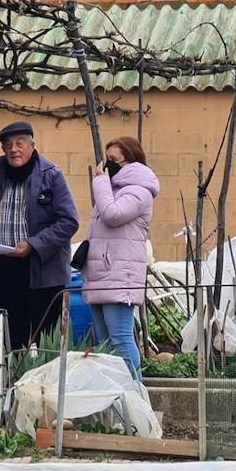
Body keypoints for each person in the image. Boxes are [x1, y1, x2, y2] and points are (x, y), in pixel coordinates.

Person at [0, 121, 79, 350]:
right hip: (3, 272)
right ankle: (15, 384)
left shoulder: (52, 176)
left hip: (44, 272)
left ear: (32, 145)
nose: (14, 149)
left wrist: (33, 244)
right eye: (8, 145)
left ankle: (45, 386)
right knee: (13, 340)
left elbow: (69, 221)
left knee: (46, 344)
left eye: (19, 143)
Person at [83, 136, 159, 378]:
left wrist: (101, 183)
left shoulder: (139, 192)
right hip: (101, 274)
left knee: (121, 339)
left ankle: (137, 397)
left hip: (119, 274)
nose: (107, 166)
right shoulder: (113, 189)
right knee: (104, 344)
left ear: (132, 162)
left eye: (114, 160)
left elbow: (113, 215)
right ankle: (115, 400)